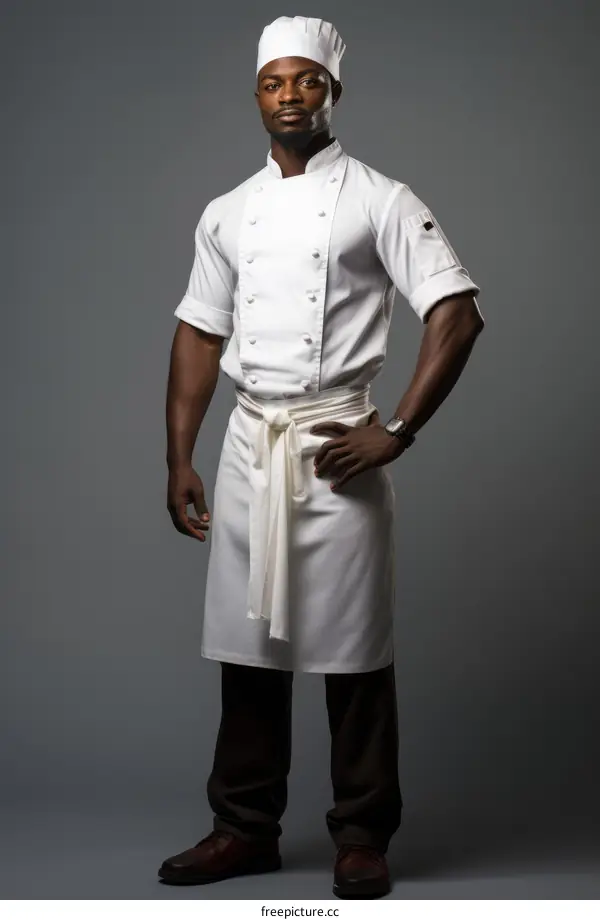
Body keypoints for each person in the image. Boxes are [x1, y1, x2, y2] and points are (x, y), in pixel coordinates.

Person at [158, 15, 484, 899]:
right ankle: (244, 829)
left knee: (354, 654)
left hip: (336, 447)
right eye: (274, 82)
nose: (290, 96)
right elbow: (198, 330)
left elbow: (455, 313)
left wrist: (400, 429)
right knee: (247, 650)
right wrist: (178, 454)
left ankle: (362, 835)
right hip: (248, 445)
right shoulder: (227, 211)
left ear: (333, 91)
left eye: (307, 81)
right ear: (256, 93)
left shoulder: (381, 197)